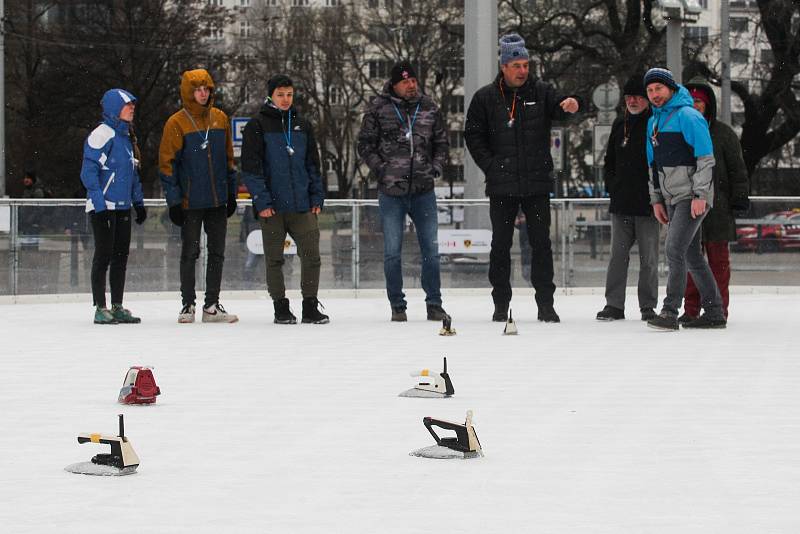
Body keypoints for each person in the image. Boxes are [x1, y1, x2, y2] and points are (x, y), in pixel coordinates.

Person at [464, 33, 580, 323]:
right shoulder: (485, 98)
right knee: (500, 246)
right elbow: (473, 136)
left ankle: (546, 304)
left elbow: (561, 108)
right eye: (516, 64)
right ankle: (501, 304)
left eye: (526, 64)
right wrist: (491, 166)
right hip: (502, 186)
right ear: (504, 66)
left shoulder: (541, 91)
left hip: (536, 184)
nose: (522, 70)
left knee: (541, 244)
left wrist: (571, 104)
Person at [357, 61, 449, 322]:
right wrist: (381, 169)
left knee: (431, 250)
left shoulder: (429, 107)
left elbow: (442, 143)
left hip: (423, 191)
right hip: (391, 191)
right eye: (405, 81)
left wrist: (436, 168)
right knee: (392, 251)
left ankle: (434, 303)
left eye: (413, 80)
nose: (411, 85)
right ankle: (397, 305)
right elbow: (364, 144)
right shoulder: (378, 108)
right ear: (394, 84)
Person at [241, 74, 329, 324]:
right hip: (273, 208)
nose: (286, 99)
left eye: (289, 94)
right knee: (274, 260)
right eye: (280, 94)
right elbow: (251, 168)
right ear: (271, 95)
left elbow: (313, 164)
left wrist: (316, 196)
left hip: (302, 205)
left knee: (312, 256)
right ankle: (280, 306)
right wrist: (262, 202)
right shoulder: (256, 125)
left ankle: (310, 305)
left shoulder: (302, 124)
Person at [643, 67, 725, 331]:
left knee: (674, 249)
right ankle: (714, 311)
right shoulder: (653, 122)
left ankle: (669, 311)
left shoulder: (689, 116)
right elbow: (652, 166)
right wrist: (656, 199)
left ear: (671, 88)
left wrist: (701, 194)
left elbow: (705, 158)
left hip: (691, 196)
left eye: (659, 88)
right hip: (671, 197)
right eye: (650, 90)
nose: (655, 94)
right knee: (692, 256)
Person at [159, 69, 238, 324]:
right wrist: (173, 201)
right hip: (190, 201)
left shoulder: (220, 119)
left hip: (217, 200)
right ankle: (188, 304)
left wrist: (231, 193)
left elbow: (228, 160)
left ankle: (212, 305)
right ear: (188, 92)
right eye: (198, 90)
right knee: (189, 252)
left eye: (207, 89)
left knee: (217, 252)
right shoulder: (176, 123)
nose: (203, 94)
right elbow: (167, 165)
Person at [681, 77, 750, 322]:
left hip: (719, 209)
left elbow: (737, 170)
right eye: (691, 101)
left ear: (708, 104)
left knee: (719, 264)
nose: (696, 105)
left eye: (700, 101)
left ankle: (719, 309)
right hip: (689, 206)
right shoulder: (680, 131)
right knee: (691, 263)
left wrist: (739, 198)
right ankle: (690, 310)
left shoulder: (724, 134)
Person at [80, 88, 147, 324]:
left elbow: (132, 174)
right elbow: (89, 172)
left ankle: (117, 305)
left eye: (133, 106)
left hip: (122, 206)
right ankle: (100, 307)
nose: (132, 109)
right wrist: (99, 205)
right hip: (104, 206)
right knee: (104, 255)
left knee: (121, 256)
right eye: (127, 105)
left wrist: (138, 203)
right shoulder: (102, 134)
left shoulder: (127, 137)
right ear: (113, 108)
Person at [596, 75, 659, 322]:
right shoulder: (619, 124)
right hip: (621, 203)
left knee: (649, 259)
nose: (633, 101)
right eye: (629, 97)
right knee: (617, 257)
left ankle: (647, 305)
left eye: (638, 97)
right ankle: (614, 304)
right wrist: (612, 185)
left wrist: (657, 195)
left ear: (646, 99)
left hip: (648, 204)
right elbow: (609, 160)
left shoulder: (655, 124)